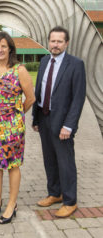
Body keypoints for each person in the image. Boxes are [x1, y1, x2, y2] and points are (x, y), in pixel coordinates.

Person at [32, 26, 86, 217]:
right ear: (49, 42)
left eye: (59, 41)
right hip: (44, 119)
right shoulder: (45, 61)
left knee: (65, 162)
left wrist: (69, 125)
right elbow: (39, 91)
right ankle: (55, 193)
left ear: (66, 43)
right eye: (52, 41)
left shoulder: (76, 64)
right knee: (49, 160)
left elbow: (78, 98)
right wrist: (36, 118)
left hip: (63, 123)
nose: (55, 45)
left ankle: (70, 201)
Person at [0, 31, 35, 224]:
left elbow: (30, 99)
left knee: (13, 165)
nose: (0, 49)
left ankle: (12, 204)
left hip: (14, 127)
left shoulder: (19, 70)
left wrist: (16, 115)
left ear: (10, 48)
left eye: (4, 46)